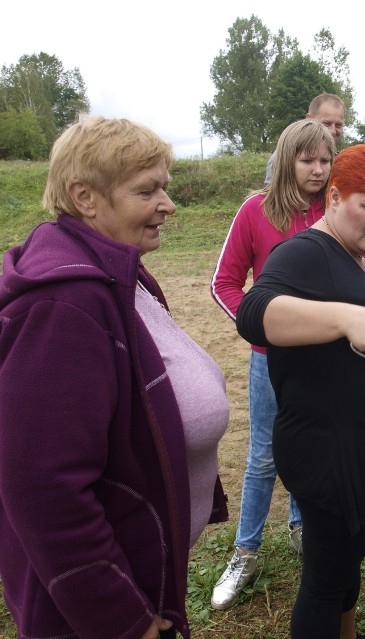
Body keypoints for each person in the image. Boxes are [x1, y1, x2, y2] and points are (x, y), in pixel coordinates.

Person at [0, 116, 229, 639]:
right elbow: (44, 488)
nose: (168, 205)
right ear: (86, 197)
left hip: (142, 570)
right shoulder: (63, 306)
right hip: (98, 612)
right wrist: (124, 623)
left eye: (164, 187)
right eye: (147, 191)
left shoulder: (118, 273)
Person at [236, 142, 365, 639]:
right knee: (324, 582)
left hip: (361, 446)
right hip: (328, 449)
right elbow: (253, 313)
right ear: (336, 196)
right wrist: (346, 318)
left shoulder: (357, 255)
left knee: (343, 569)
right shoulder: (305, 252)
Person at [209, 119, 336, 610]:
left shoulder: (334, 209)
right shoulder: (256, 210)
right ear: (287, 159)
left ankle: (300, 526)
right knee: (263, 455)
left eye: (325, 161)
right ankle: (245, 550)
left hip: (325, 356)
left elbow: (359, 268)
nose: (318, 170)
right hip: (271, 361)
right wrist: (262, 326)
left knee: (313, 445)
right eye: (308, 160)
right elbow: (224, 283)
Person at [264, 92, 345, 185]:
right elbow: (272, 194)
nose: (333, 131)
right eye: (326, 123)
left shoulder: (339, 159)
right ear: (309, 119)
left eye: (338, 125)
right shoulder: (284, 155)